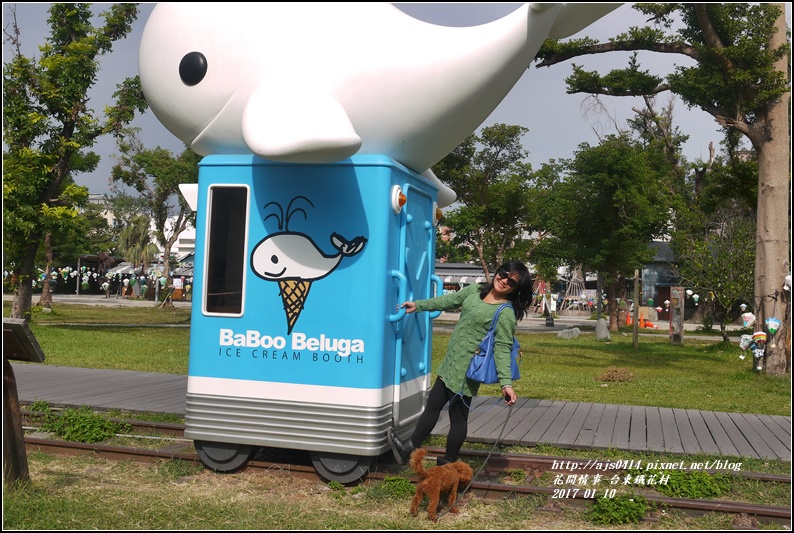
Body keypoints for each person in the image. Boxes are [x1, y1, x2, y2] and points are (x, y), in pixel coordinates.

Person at [387, 260, 533, 466]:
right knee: (432, 407)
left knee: (458, 417)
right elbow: (448, 302)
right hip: (451, 363)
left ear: (516, 289)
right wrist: (418, 306)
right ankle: (407, 449)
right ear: (497, 271)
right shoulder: (474, 290)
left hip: (467, 370)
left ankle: (448, 461)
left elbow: (502, 348)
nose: (504, 281)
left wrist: (506, 384)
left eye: (512, 281)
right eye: (503, 274)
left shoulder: (505, 312)